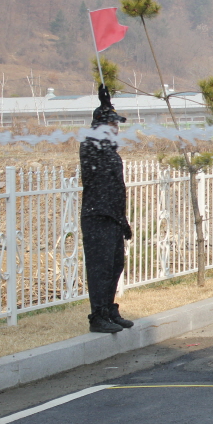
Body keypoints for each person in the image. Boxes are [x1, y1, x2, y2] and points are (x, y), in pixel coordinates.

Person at [80, 84, 133, 334]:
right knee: (99, 268)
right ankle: (97, 315)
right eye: (111, 124)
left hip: (112, 216)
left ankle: (110, 310)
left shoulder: (111, 151)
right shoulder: (91, 145)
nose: (116, 128)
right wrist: (102, 106)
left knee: (114, 266)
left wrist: (123, 220)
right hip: (97, 215)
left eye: (116, 125)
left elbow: (117, 189)